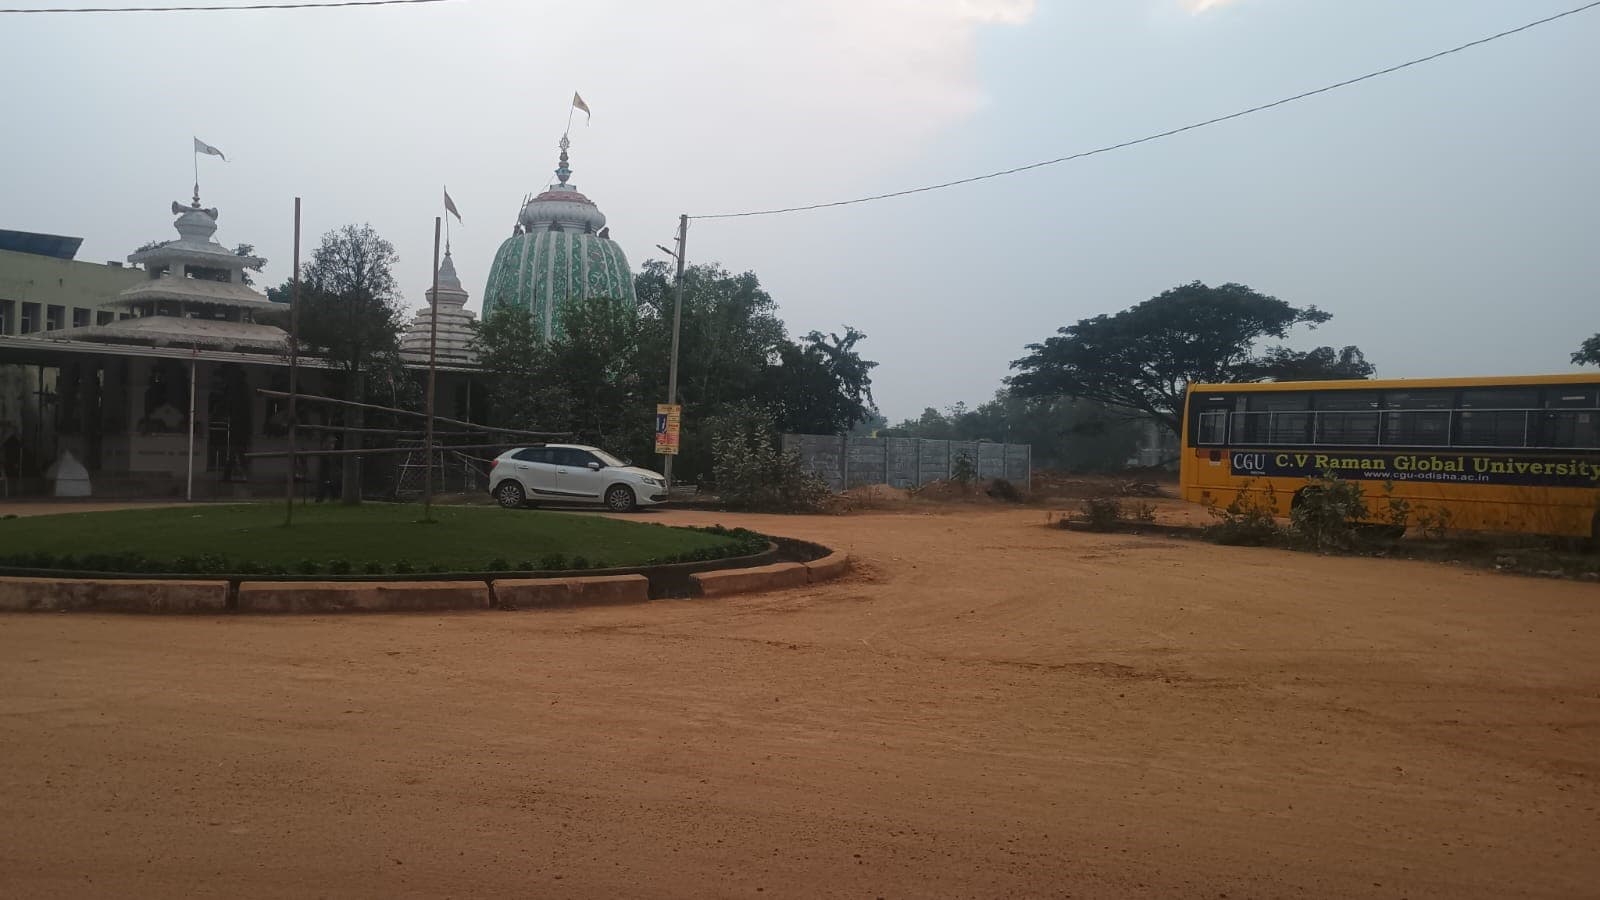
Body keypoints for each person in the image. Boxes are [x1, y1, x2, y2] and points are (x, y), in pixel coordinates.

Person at [315, 434, 340, 502]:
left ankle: (333, 498)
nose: (333, 445)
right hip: (324, 472)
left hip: (329, 473)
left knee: (330, 485)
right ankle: (320, 499)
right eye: (332, 443)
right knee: (323, 486)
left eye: (333, 443)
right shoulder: (325, 450)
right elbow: (327, 462)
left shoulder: (331, 452)